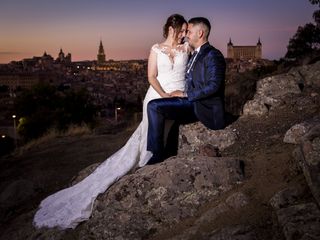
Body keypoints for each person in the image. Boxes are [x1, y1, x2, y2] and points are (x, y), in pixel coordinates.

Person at [33, 14, 189, 229]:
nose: (184, 34)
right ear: (172, 28)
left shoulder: (186, 47)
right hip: (157, 95)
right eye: (182, 30)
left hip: (179, 94)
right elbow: (151, 76)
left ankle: (154, 158)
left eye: (186, 31)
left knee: (165, 131)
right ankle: (149, 161)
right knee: (149, 132)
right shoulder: (155, 49)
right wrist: (164, 95)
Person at [147, 17, 226, 164]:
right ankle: (164, 153)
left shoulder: (212, 55)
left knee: (154, 106)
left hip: (202, 106)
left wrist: (184, 94)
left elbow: (214, 86)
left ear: (200, 33)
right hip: (192, 102)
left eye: (189, 32)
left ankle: (157, 155)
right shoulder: (195, 52)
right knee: (161, 109)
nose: (186, 35)